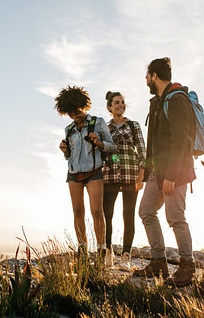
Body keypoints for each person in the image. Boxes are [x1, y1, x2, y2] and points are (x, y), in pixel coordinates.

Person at [132, 57, 197, 287]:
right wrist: (145, 171)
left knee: (176, 217)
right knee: (146, 211)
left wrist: (171, 175)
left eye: (147, 75)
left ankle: (187, 266)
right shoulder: (156, 102)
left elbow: (181, 139)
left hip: (175, 172)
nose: (146, 80)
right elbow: (152, 143)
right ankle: (158, 262)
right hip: (156, 172)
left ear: (154, 76)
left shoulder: (177, 99)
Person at [55, 85, 115, 257]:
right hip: (73, 173)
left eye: (76, 112)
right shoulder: (69, 129)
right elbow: (69, 156)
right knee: (77, 211)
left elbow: (112, 146)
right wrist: (65, 151)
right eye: (70, 113)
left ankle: (101, 249)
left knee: (97, 211)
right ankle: (82, 249)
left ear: (83, 106)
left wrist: (100, 142)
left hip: (94, 171)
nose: (74, 116)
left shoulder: (98, 122)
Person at [102, 91, 146, 270]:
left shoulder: (133, 125)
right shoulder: (104, 127)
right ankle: (108, 252)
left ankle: (126, 256)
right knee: (107, 215)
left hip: (130, 174)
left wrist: (141, 175)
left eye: (122, 102)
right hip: (109, 175)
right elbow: (101, 152)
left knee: (128, 215)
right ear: (110, 107)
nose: (120, 105)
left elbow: (142, 150)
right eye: (116, 103)